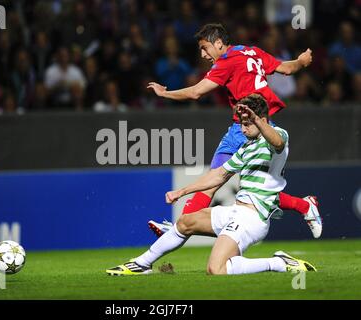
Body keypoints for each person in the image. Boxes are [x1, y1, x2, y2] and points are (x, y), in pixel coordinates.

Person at [106, 94, 317, 276]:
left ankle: (279, 263)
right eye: (242, 123)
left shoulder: (278, 136)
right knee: (185, 222)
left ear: (261, 119)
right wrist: (182, 191)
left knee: (216, 269)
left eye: (247, 123)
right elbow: (218, 175)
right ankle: (142, 264)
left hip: (253, 219)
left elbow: (277, 143)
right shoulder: (246, 147)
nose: (242, 129)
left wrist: (259, 122)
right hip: (236, 212)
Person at [146, 23, 322, 239]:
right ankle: (304, 205)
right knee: (231, 183)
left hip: (253, 128)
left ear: (219, 43)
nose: (202, 54)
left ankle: (177, 227)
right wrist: (302, 61)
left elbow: (195, 92)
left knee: (244, 189)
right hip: (249, 128)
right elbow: (286, 69)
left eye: (205, 47)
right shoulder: (252, 52)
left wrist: (165, 94)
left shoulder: (227, 61)